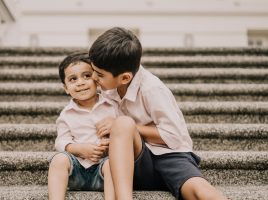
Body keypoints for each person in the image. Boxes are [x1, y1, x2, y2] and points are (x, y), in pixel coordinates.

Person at [89, 27, 228, 200]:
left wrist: (129, 126)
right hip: (134, 162)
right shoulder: (107, 88)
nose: (93, 77)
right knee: (123, 124)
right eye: (93, 71)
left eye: (99, 74)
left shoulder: (152, 88)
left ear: (125, 78)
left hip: (171, 156)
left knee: (199, 190)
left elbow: (173, 136)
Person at [48, 52, 115, 200]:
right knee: (59, 160)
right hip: (77, 170)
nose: (80, 82)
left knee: (113, 164)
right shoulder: (66, 115)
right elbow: (61, 141)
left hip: (103, 171)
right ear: (66, 88)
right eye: (73, 79)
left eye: (86, 76)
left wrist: (111, 143)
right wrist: (79, 149)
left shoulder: (112, 106)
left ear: (97, 80)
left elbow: (124, 132)